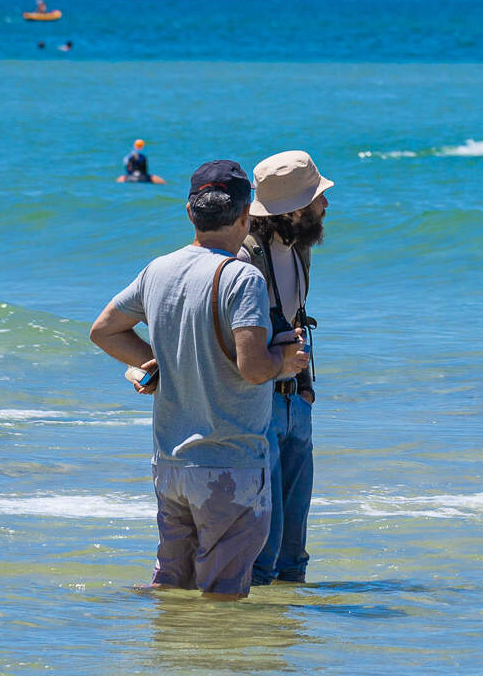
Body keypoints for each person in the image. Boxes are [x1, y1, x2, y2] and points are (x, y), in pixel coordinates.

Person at [89, 160, 310, 599]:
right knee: (224, 596)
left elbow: (104, 331)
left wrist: (160, 363)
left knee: (172, 585)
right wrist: (284, 360)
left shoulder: (158, 269)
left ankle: (163, 645)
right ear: (245, 215)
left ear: (190, 212)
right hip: (230, 463)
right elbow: (253, 368)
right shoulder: (242, 277)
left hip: (170, 464)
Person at [241, 150, 334, 586]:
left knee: (293, 554)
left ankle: (289, 617)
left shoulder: (299, 249)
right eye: (317, 198)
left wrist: (306, 388)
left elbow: (295, 319)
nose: (325, 204)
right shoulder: (244, 257)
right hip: (259, 403)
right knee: (265, 547)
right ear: (294, 210)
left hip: (296, 401)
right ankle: (255, 622)